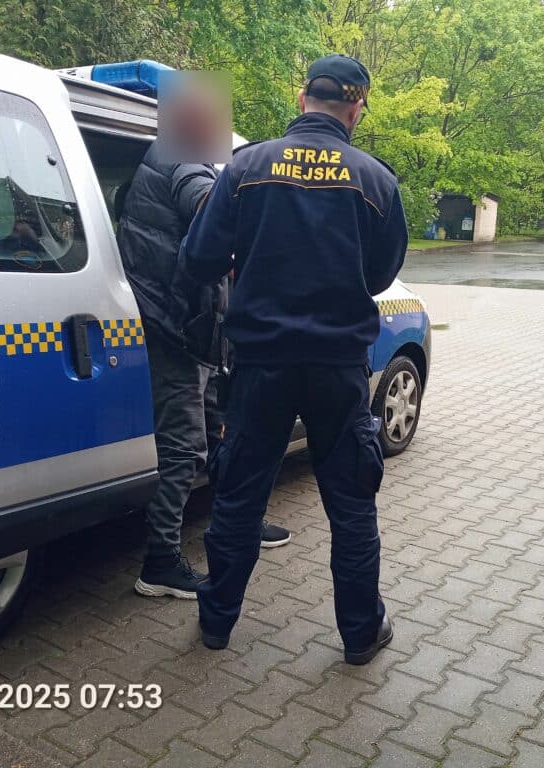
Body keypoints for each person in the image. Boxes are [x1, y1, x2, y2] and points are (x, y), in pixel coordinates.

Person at [181, 54, 408, 664]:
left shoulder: (245, 167)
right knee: (351, 505)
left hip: (261, 365)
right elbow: (381, 274)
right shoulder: (375, 180)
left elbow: (198, 259)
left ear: (303, 98)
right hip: (337, 366)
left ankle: (216, 623)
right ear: (356, 107)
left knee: (239, 497)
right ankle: (360, 635)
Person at [117, 87, 291, 601]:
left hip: (194, 326)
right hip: (173, 327)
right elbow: (206, 205)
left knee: (221, 431)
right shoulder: (181, 158)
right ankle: (160, 564)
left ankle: (237, 521)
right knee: (182, 445)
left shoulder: (177, 156)